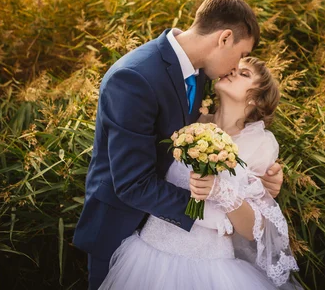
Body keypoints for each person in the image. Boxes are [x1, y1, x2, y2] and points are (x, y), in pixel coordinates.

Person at [72, 0, 284, 289]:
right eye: (240, 55)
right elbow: (133, 183)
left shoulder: (200, 74)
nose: (235, 67)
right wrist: (208, 210)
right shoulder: (134, 77)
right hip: (122, 232)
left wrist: (263, 186)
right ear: (224, 38)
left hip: (199, 260)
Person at [98, 57, 301, 289]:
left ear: (256, 99)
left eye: (244, 74)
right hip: (149, 252)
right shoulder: (189, 121)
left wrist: (221, 191)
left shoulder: (260, 144)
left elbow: (254, 229)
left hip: (209, 267)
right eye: (234, 68)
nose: (233, 72)